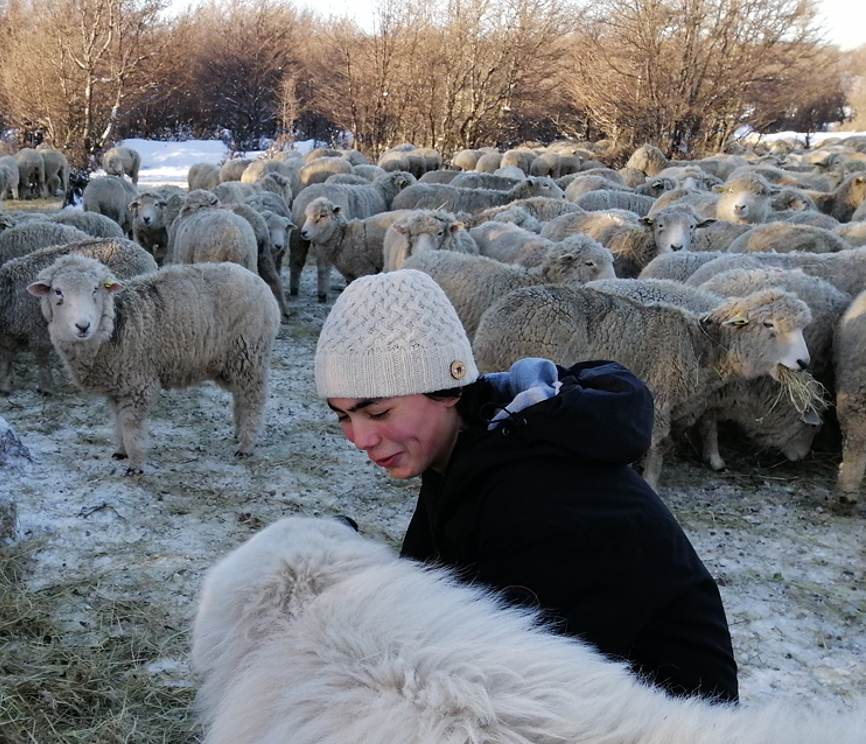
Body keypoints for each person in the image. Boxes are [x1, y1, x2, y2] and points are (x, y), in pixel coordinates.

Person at [314, 269, 738, 703]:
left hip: (669, 741)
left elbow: (509, 683)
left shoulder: (537, 495)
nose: (360, 439)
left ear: (448, 388)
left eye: (379, 413)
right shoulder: (468, 451)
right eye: (343, 416)